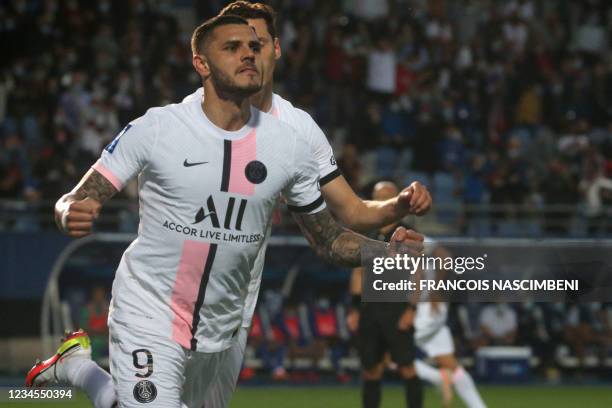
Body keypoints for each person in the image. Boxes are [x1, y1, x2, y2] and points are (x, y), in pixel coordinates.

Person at [26, 15, 424, 408]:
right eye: (231, 48)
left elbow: (329, 239)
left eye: (253, 46)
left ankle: (77, 367)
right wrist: (70, 212)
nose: (248, 55)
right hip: (148, 309)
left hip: (224, 326)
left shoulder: (288, 146)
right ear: (201, 63)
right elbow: (73, 199)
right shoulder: (158, 128)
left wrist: (383, 254)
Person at [347, 181, 423, 408]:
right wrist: (354, 309)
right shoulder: (365, 233)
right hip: (370, 309)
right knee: (371, 370)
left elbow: (417, 276)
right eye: (379, 196)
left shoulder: (409, 233)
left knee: (406, 367)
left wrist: (412, 309)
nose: (384, 200)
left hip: (397, 307)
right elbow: (358, 274)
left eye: (389, 195)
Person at [411, 239, 487, 408]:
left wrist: (436, 289)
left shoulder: (411, 235)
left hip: (423, 311)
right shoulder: (388, 236)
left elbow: (444, 256)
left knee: (386, 352)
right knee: (452, 365)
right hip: (430, 312)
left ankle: (438, 378)